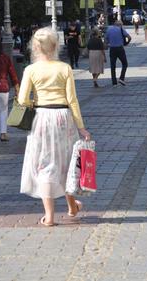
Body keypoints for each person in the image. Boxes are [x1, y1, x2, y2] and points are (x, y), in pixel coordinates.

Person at [18, 27, 92, 226]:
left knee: (45, 164)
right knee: (66, 162)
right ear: (55, 46)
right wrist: (81, 127)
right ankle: (72, 205)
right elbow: (72, 100)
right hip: (63, 118)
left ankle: (50, 215)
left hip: (41, 118)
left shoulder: (30, 70)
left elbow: (23, 99)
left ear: (34, 47)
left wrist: (38, 105)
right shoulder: (64, 68)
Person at [105, 19, 131, 86]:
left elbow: (106, 40)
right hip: (120, 49)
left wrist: (109, 44)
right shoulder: (121, 29)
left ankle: (114, 82)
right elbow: (129, 37)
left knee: (112, 65)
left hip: (112, 49)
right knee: (125, 63)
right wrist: (127, 43)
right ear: (120, 25)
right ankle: (121, 78)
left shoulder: (109, 29)